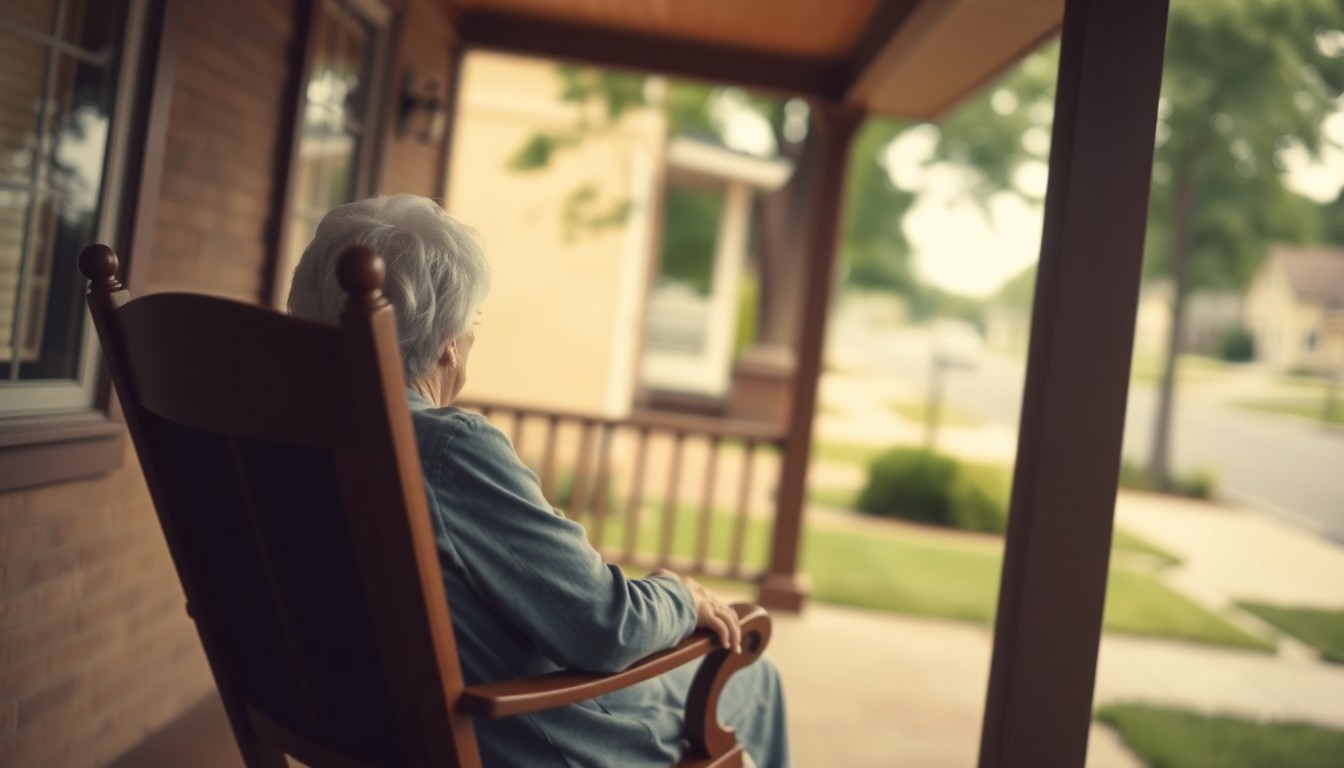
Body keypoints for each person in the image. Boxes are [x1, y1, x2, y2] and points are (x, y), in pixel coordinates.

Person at [288, 194, 789, 768]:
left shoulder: (281, 439)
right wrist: (681, 594)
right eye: (472, 323)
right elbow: (605, 628)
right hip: (515, 741)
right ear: (450, 341)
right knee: (754, 675)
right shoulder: (444, 449)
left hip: (359, 728)